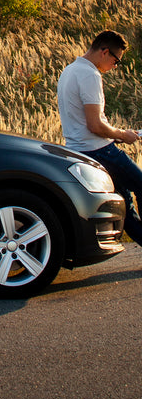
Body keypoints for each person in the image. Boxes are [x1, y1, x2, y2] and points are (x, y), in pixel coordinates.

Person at [57, 30, 142, 244]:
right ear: (104, 52)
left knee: (124, 203)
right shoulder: (90, 75)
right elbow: (95, 125)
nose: (115, 66)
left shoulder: (70, 70)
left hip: (80, 150)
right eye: (116, 61)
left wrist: (119, 135)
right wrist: (123, 135)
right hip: (101, 151)